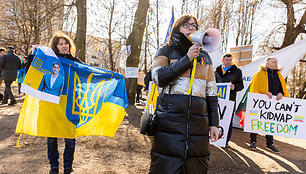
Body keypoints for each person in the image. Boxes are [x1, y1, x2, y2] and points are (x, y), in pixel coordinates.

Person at [150, 14, 219, 173]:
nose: (191, 28)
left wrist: (214, 123)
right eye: (186, 25)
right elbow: (158, 78)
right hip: (169, 122)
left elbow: (211, 93)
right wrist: (186, 59)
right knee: (166, 167)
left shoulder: (205, 57)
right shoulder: (165, 50)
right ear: (177, 27)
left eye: (194, 25)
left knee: (195, 167)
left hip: (198, 126)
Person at [249, 56, 289, 153]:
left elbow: (281, 88)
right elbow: (255, 88)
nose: (276, 63)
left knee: (270, 122)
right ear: (267, 64)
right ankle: (253, 141)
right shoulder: (259, 74)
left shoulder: (279, 75)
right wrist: (265, 93)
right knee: (257, 120)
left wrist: (281, 93)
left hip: (273, 103)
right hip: (261, 103)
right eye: (274, 62)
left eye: (277, 62)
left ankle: (270, 144)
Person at [215, 53, 244, 146]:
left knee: (228, 119)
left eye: (230, 60)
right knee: (215, 118)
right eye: (227, 60)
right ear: (223, 60)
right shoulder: (217, 71)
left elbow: (241, 86)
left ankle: (225, 140)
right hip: (217, 100)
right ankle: (213, 138)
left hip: (230, 100)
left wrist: (234, 86)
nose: (229, 61)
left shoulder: (237, 72)